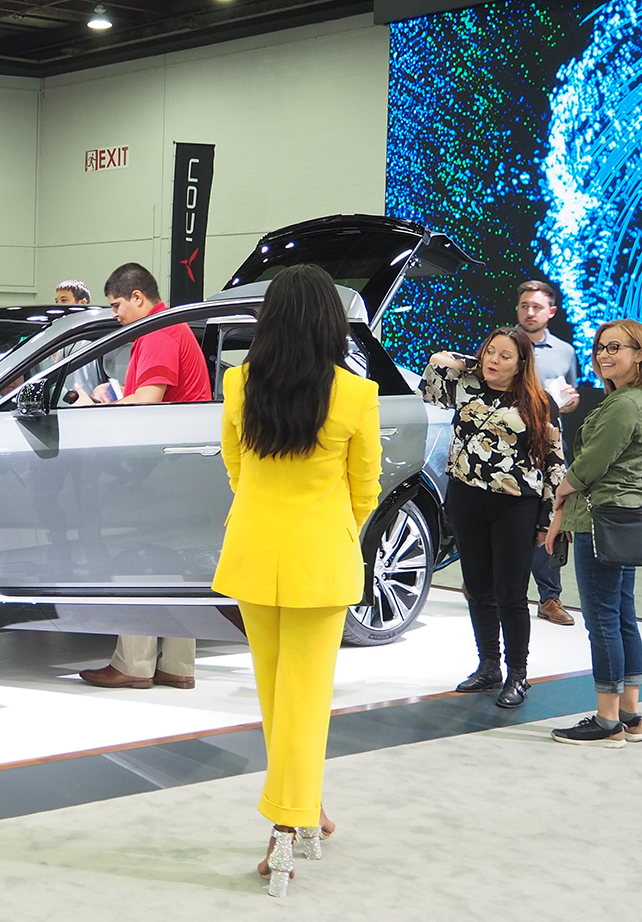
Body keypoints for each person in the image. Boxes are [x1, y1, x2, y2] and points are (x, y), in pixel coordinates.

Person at [210, 264, 380, 896]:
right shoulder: (356, 396)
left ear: (270, 319)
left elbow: (235, 469)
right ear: (331, 324)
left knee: (277, 696)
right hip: (322, 561)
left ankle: (306, 807)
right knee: (305, 702)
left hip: (255, 553)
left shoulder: (238, 384)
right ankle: (285, 828)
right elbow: (365, 492)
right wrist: (329, 528)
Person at [78, 263, 211, 690]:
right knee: (175, 564)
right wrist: (116, 393)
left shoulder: (156, 332)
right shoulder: (171, 330)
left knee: (137, 557)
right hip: (184, 465)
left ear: (138, 297)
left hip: (158, 465)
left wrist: (95, 408)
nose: (114, 313)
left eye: (117, 304)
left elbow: (147, 403)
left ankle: (134, 666)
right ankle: (177, 665)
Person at [422, 328, 565, 709]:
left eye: (505, 356)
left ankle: (518, 673)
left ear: (522, 364)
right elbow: (435, 371)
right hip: (467, 500)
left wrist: (548, 518)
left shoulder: (538, 402)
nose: (494, 361)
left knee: (510, 594)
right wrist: (470, 362)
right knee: (478, 587)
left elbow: (553, 462)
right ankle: (489, 665)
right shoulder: (466, 388)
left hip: (515, 505)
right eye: (489, 352)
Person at [546, 319, 642, 748]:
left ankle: (607, 719)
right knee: (621, 614)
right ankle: (629, 713)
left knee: (603, 620)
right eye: (600, 347)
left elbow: (592, 463)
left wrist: (560, 493)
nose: (604, 354)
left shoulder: (625, 405)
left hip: (601, 519)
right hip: (623, 517)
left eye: (616, 347)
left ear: (639, 353)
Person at [516, 280, 580, 627]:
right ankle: (492, 584)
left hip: (550, 450)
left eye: (536, 307)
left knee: (551, 520)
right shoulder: (502, 345)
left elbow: (567, 401)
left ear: (551, 312)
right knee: (506, 518)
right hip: (507, 450)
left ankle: (549, 598)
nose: (529, 312)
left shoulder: (565, 352)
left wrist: (569, 404)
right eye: (524, 305)